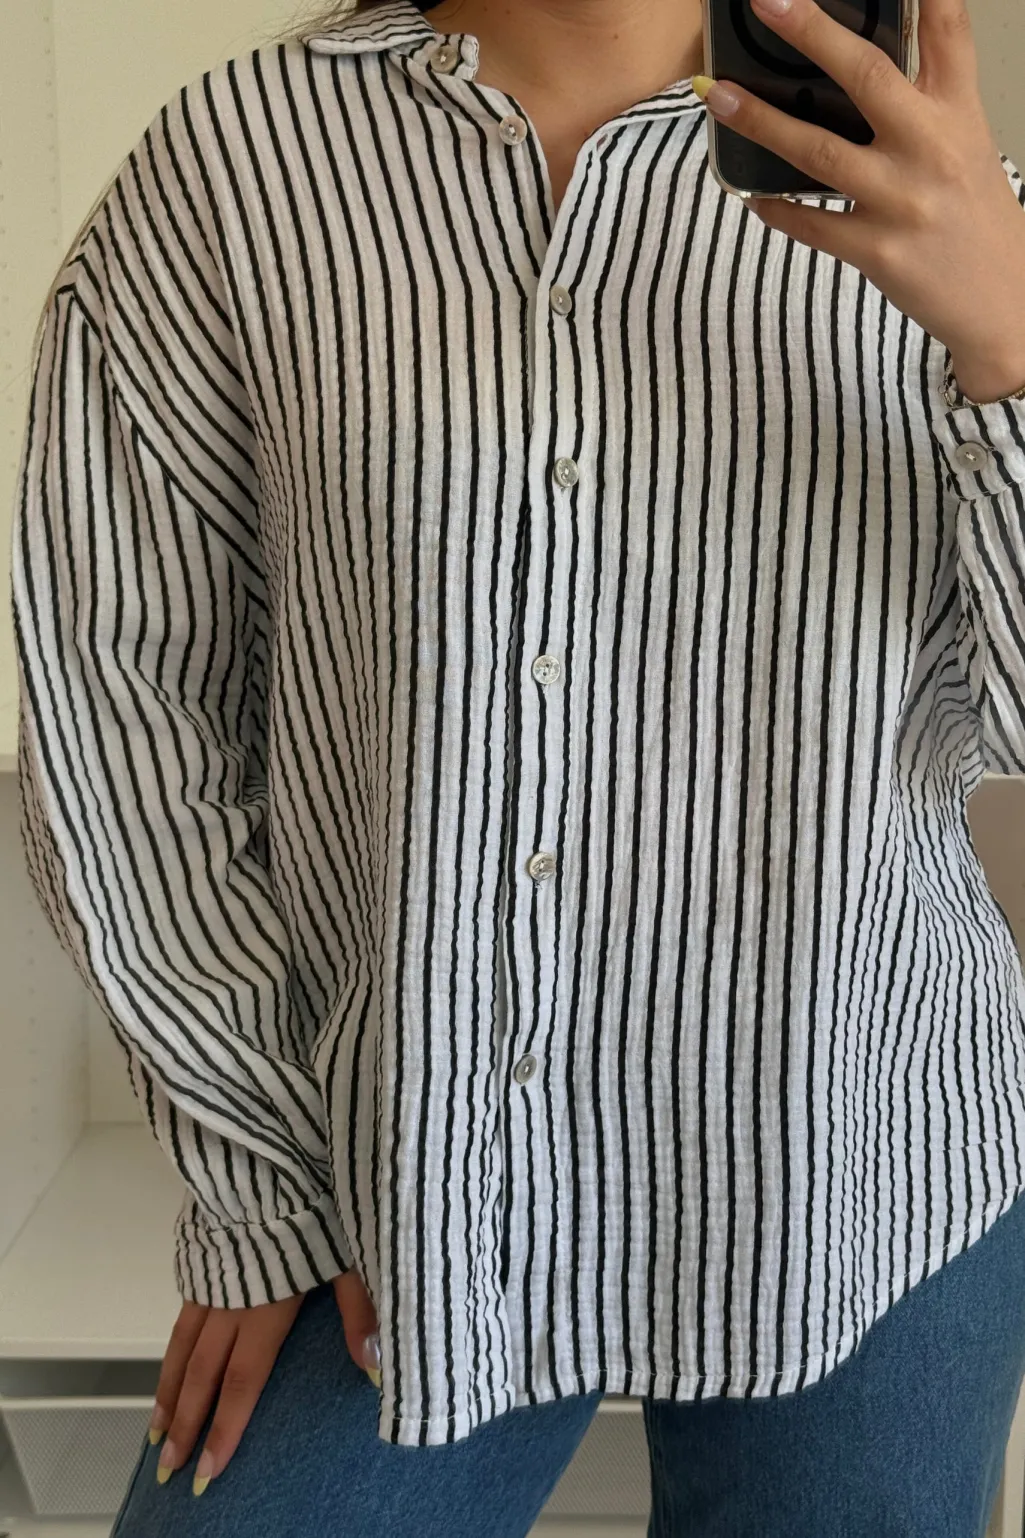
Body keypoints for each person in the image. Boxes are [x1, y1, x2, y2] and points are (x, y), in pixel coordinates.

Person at [11, 0, 1025, 1529]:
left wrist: (1010, 345)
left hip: (867, 1157)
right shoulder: (230, 173)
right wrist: (257, 1180)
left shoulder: (944, 182)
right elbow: (120, 707)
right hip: (409, 1180)